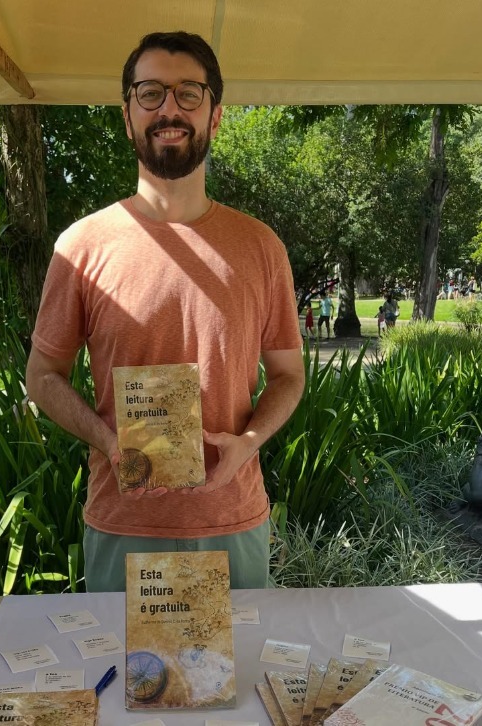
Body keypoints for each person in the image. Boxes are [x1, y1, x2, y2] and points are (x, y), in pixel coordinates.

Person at [26, 32, 305, 593]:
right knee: (123, 657)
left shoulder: (260, 248)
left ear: (215, 116)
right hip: (124, 526)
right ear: (127, 114)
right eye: (150, 93)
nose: (169, 109)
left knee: (238, 657)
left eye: (188, 94)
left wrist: (249, 442)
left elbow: (288, 375)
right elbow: (43, 375)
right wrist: (109, 442)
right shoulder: (81, 247)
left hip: (233, 524)